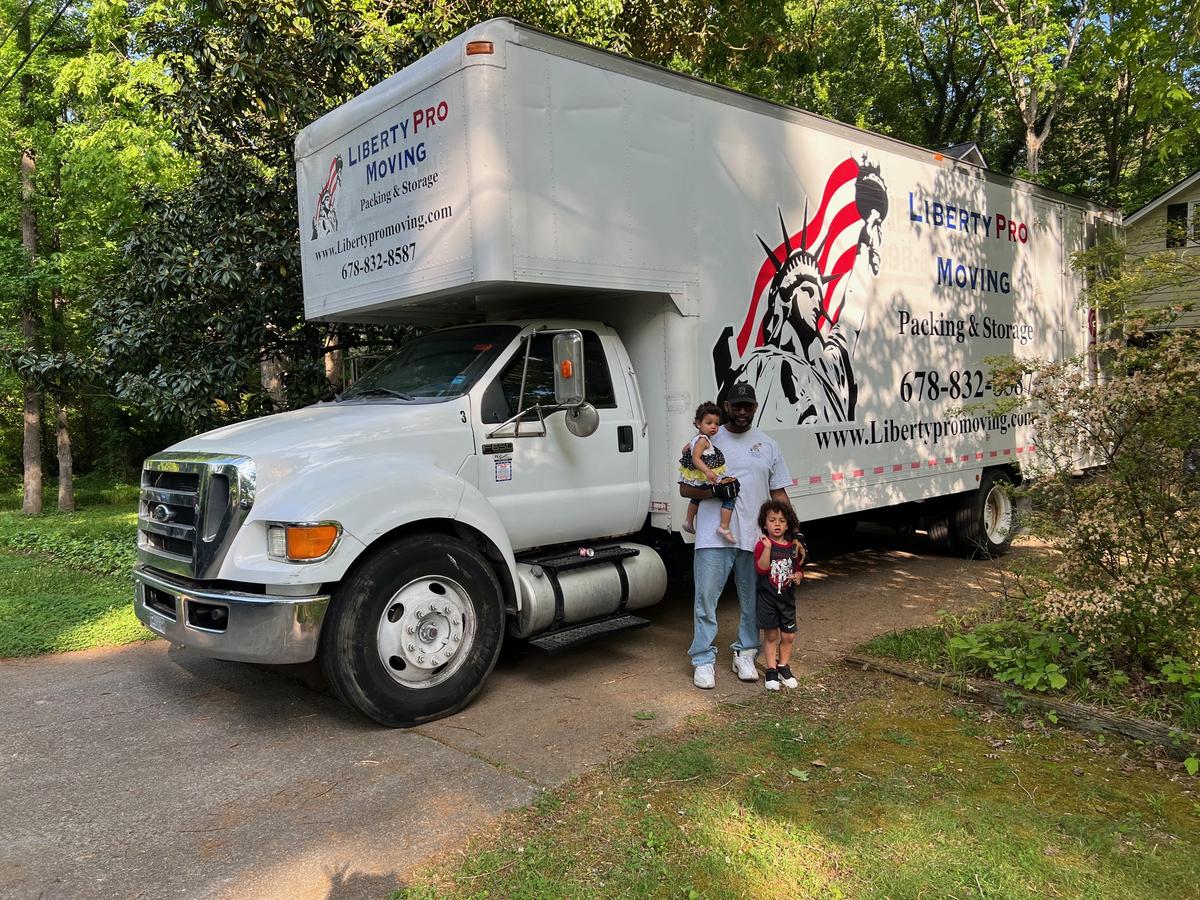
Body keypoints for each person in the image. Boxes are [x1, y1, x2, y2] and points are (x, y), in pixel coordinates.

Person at [679, 381, 794, 689]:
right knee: (706, 598)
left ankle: (745, 652)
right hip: (712, 536)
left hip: (755, 538)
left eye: (748, 406)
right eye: (736, 405)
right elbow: (685, 487)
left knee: (753, 601)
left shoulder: (768, 444)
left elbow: (778, 491)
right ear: (726, 406)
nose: (742, 411)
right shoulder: (706, 438)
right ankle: (703, 658)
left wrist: (794, 533)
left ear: (755, 408)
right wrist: (714, 488)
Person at [754, 500, 806, 691]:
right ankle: (771, 669)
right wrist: (767, 549)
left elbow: (798, 568)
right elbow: (761, 569)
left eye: (782, 520)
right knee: (771, 635)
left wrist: (799, 576)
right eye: (772, 520)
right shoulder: (763, 545)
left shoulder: (793, 547)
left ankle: (783, 665)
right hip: (767, 599)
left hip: (787, 599)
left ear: (788, 524)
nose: (777, 524)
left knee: (789, 636)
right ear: (764, 523)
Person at [679, 401, 737, 542]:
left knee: (696, 497)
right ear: (698, 424)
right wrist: (707, 471)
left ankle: (688, 520)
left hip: (699, 474)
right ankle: (724, 526)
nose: (713, 427)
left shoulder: (696, 439)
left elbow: (684, 450)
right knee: (730, 495)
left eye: (716, 424)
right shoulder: (703, 440)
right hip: (706, 474)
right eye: (709, 423)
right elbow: (695, 458)